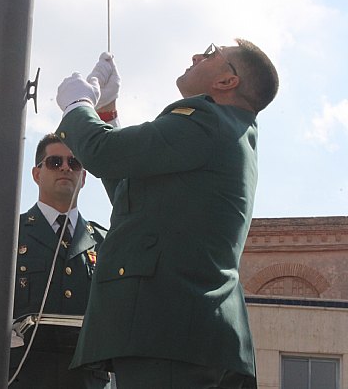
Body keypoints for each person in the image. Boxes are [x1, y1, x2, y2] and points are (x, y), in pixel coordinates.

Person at [53, 39, 279, 388]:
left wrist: (77, 106)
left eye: (210, 53)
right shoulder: (228, 130)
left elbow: (102, 153)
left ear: (226, 81)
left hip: (168, 330)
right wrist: (106, 114)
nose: (195, 56)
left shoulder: (206, 120)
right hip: (192, 334)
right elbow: (131, 196)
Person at [0, 133, 111, 389]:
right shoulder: (5, 236)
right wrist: (4, 338)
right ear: (37, 174)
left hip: (86, 381)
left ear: (83, 177)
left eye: (73, 163)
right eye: (54, 162)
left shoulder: (103, 242)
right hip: (23, 379)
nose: (65, 168)